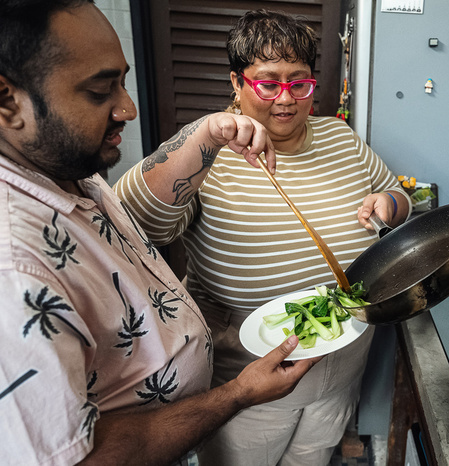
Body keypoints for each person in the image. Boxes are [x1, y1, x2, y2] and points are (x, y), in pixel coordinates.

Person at [0, 2, 318, 465]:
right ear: (7, 101)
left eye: (122, 82)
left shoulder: (70, 172)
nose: (127, 108)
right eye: (99, 91)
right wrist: (238, 394)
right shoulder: (13, 267)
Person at [114, 9, 412, 466]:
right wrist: (205, 135)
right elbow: (131, 223)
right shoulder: (206, 154)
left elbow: (395, 193)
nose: (286, 99)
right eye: (268, 83)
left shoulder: (340, 137)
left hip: (343, 362)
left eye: (299, 82)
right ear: (237, 82)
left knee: (313, 457)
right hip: (248, 379)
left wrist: (391, 203)